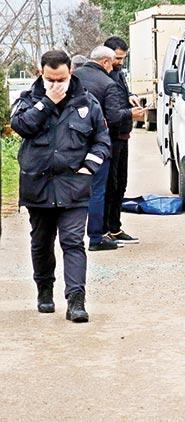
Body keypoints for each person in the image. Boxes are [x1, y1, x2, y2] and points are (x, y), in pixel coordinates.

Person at [10, 50, 110, 323]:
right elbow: (20, 126)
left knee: (73, 242)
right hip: (38, 185)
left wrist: (88, 166)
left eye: (61, 79)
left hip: (74, 186)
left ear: (70, 73)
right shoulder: (28, 101)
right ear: (40, 73)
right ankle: (44, 290)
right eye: (50, 79)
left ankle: (76, 300)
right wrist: (46, 102)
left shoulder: (87, 103)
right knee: (41, 243)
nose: (56, 84)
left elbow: (102, 141)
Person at [74, 46, 133, 252]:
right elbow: (115, 116)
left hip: (73, 143)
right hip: (98, 143)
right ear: (106, 62)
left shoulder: (74, 78)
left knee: (74, 190)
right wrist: (131, 113)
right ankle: (96, 237)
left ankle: (72, 234)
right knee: (98, 190)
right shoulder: (108, 83)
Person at [102, 36, 144, 244]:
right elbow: (111, 112)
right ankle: (105, 228)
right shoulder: (104, 78)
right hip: (111, 138)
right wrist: (130, 114)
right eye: (117, 58)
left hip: (122, 136)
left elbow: (121, 96)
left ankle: (115, 227)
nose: (120, 62)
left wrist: (131, 96)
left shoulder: (118, 74)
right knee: (111, 184)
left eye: (123, 58)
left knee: (121, 184)